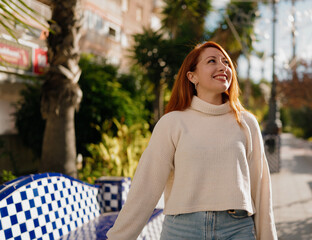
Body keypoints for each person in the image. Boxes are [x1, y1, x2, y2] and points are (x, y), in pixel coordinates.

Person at [106, 41, 277, 240]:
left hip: (237, 230)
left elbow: (261, 190)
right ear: (192, 76)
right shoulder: (172, 122)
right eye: (212, 61)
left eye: (226, 62)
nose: (223, 67)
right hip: (182, 231)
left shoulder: (247, 122)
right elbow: (146, 187)